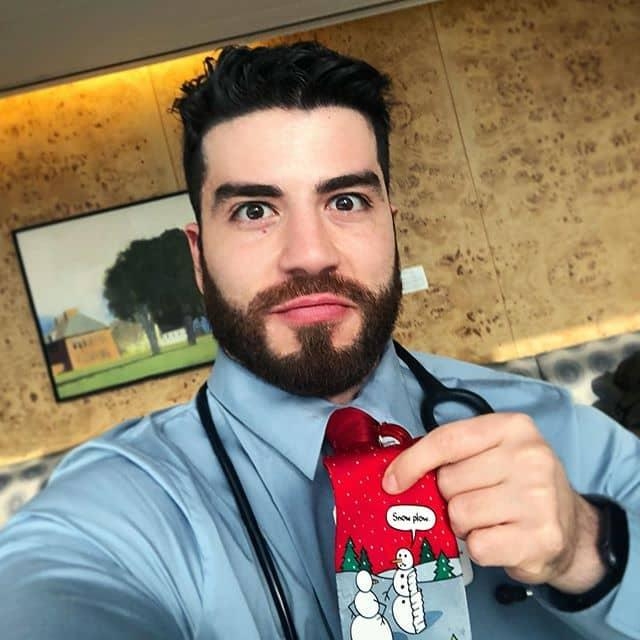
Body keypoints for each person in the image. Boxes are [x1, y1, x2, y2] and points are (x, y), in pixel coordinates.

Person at [0, 41, 637, 640]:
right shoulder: (115, 513)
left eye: (347, 201)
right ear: (198, 258)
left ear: (391, 228)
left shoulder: (559, 430)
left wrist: (588, 549)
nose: (309, 254)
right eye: (254, 210)